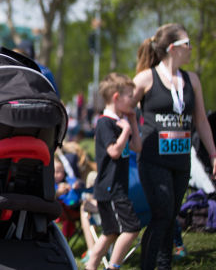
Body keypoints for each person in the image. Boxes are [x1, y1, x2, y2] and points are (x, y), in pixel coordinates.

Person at [131, 23, 216, 270]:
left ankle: (164, 266)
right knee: (162, 215)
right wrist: (133, 135)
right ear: (172, 48)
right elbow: (124, 108)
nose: (190, 48)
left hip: (180, 161)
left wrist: (213, 153)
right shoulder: (146, 78)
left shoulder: (192, 80)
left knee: (170, 219)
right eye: (186, 43)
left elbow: (200, 120)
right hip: (152, 159)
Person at [85, 73, 142, 270]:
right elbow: (114, 152)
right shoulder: (105, 123)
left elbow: (137, 147)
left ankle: (91, 266)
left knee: (110, 232)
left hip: (116, 186)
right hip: (110, 188)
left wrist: (132, 122)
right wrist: (125, 131)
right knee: (132, 228)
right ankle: (113, 267)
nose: (133, 100)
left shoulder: (121, 121)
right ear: (116, 97)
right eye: (130, 96)